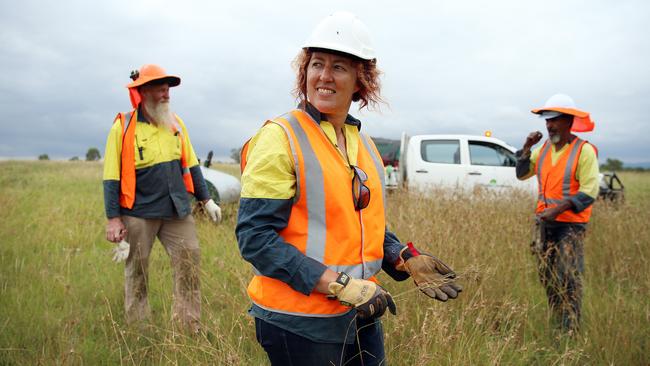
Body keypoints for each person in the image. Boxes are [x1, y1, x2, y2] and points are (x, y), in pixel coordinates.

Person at [236, 12, 462, 365]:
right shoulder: (281, 138)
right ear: (304, 71)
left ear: (360, 80)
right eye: (316, 64)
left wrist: (403, 257)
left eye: (339, 67)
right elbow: (255, 237)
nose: (324, 76)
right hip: (300, 321)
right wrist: (340, 285)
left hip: (361, 313)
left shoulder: (364, 146)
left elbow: (361, 226)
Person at [103, 64, 222, 331]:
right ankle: (139, 330)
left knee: (189, 266)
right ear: (143, 91)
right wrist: (113, 219)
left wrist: (207, 200)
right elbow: (111, 176)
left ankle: (188, 327)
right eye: (160, 88)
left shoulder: (176, 124)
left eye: (168, 88)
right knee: (137, 273)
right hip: (137, 212)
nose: (166, 93)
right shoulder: (122, 128)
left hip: (176, 211)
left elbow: (192, 165)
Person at [516, 93, 599, 332]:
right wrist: (526, 147)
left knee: (569, 277)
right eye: (546, 120)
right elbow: (522, 174)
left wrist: (558, 209)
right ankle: (557, 319)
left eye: (554, 119)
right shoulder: (542, 150)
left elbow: (589, 191)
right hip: (545, 224)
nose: (549, 125)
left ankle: (570, 329)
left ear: (569, 121)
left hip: (570, 226)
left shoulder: (583, 151)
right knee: (547, 276)